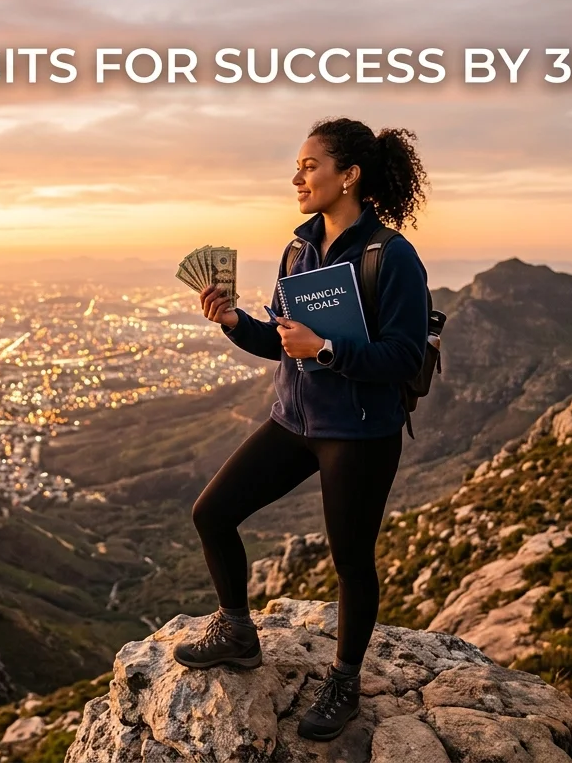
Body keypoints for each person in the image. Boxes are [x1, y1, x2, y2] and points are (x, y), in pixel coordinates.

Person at [173, 116, 430, 742]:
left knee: (350, 560)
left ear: (350, 176)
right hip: (295, 420)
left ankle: (344, 680)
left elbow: (403, 355)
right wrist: (235, 321)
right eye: (299, 166)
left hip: (360, 432)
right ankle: (237, 631)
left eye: (310, 165)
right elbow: (281, 342)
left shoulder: (390, 257)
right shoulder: (298, 249)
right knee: (212, 513)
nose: (298, 177)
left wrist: (327, 350)